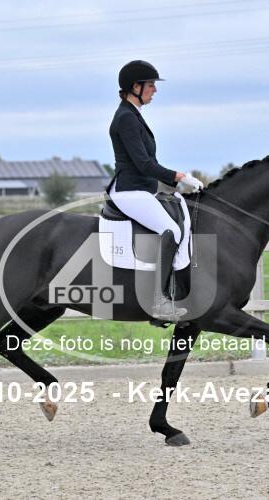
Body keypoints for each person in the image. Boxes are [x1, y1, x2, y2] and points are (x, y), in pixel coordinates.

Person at [105, 60, 204, 321]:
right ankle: (158, 302)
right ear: (135, 87)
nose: (154, 90)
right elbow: (144, 164)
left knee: (181, 222)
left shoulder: (133, 114)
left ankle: (177, 288)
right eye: (150, 85)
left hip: (141, 190)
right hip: (130, 191)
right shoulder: (126, 118)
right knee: (170, 231)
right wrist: (179, 177)